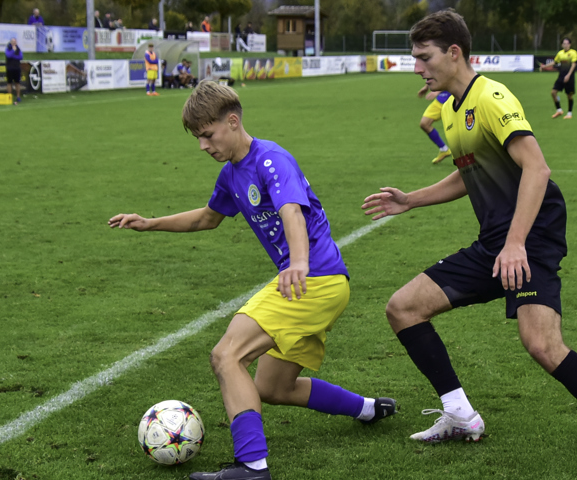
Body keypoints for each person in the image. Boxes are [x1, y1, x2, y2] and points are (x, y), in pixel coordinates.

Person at [361, 10, 577, 477]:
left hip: (529, 237)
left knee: (541, 344)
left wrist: (516, 244)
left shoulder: (491, 97)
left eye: (423, 57)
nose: (417, 68)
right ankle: (460, 415)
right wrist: (410, 201)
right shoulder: (453, 108)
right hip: (496, 241)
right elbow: (468, 172)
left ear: (453, 53)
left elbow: (537, 169)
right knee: (403, 308)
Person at [109, 81, 397, 480]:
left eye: (207, 135)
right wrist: (149, 223)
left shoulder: (270, 159)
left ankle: (251, 466)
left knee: (226, 356)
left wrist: (297, 263)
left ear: (232, 121)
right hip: (319, 284)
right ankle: (368, 408)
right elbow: (208, 218)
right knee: (272, 389)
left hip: (313, 278)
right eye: (197, 138)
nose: (203, 146)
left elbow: (292, 213)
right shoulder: (231, 175)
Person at [416, 85, 452, 164]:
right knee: (424, 123)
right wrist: (427, 86)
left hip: (455, 99)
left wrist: (438, 90)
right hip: (441, 99)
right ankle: (444, 149)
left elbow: (453, 75)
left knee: (462, 129)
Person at [544, 37, 577, 120]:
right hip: (561, 76)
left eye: (567, 43)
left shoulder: (573, 53)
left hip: (569, 77)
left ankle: (569, 113)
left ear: (570, 44)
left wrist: (569, 75)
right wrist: (545, 66)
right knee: (553, 92)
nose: (565, 45)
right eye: (564, 43)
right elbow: (555, 62)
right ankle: (559, 110)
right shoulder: (560, 53)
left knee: (569, 95)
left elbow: (574, 64)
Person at [5, 38, 23, 104]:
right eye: (12, 41)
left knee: (17, 83)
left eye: (15, 41)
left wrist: (13, 56)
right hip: (10, 68)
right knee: (9, 83)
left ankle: (18, 97)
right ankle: (10, 97)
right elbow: (8, 55)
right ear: (10, 42)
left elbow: (20, 57)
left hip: (17, 68)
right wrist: (13, 51)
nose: (14, 43)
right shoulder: (8, 48)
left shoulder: (18, 49)